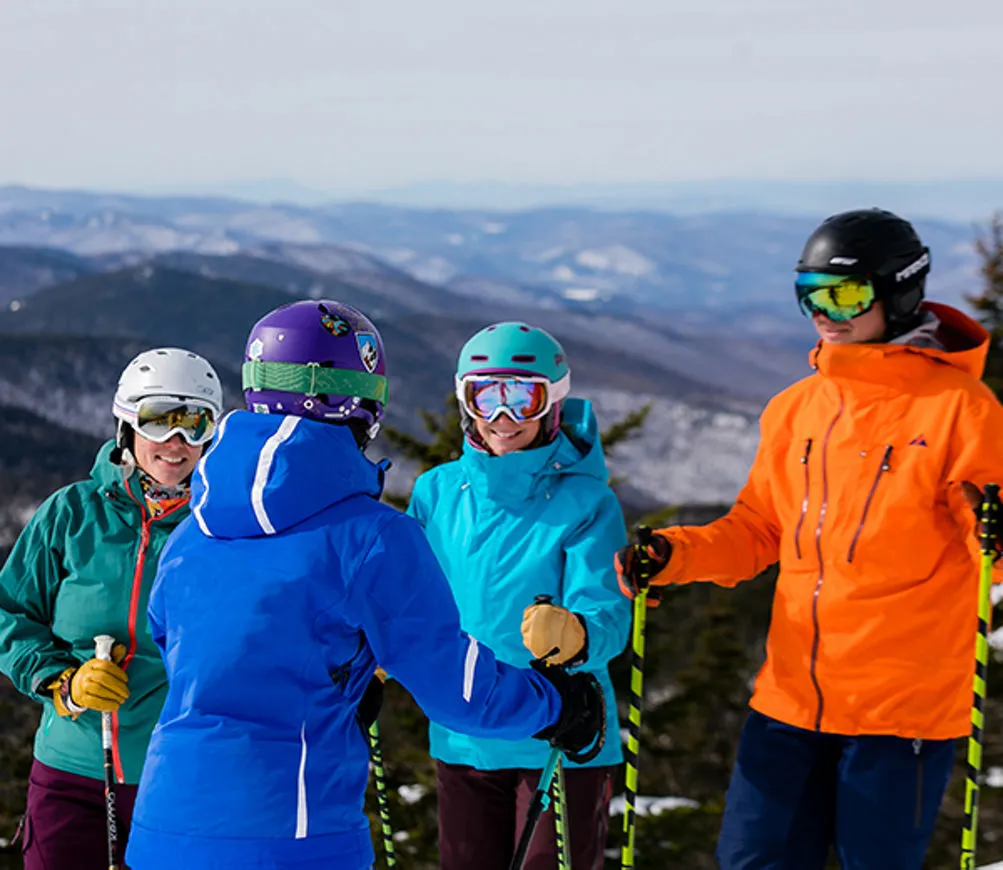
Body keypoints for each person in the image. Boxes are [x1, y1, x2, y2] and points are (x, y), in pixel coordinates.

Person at [124, 300, 605, 870]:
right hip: (293, 832)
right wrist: (557, 706)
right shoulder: (372, 536)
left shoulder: (194, 530)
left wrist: (332, 679)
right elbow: (459, 691)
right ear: (363, 401)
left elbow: (179, 645)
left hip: (162, 826)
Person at [617, 208, 1003, 870]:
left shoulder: (959, 412)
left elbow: (986, 556)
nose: (824, 311)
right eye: (808, 292)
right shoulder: (796, 408)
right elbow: (759, 529)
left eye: (843, 293)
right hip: (790, 700)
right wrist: (676, 555)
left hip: (899, 713)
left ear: (898, 289)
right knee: (749, 859)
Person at [407, 321, 629, 870]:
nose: (503, 418)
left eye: (520, 399)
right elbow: (408, 592)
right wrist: (381, 650)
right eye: (487, 397)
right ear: (466, 401)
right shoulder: (436, 492)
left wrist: (577, 634)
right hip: (464, 731)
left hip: (560, 732)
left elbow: (608, 615)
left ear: (551, 404)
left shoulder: (586, 503)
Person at [0, 347, 224, 870]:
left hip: (181, 775)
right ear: (126, 425)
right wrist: (62, 681)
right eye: (159, 420)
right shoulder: (71, 514)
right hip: (72, 774)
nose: (176, 442)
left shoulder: (221, 529)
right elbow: (10, 612)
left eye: (194, 424)